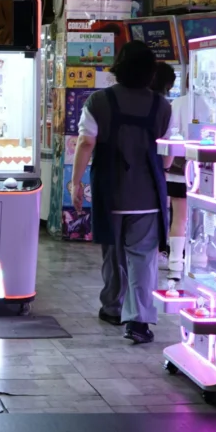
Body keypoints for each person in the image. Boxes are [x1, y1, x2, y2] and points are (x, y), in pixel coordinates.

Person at [71, 40, 170, 344]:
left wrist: (76, 181)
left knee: (113, 253)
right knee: (142, 258)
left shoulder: (98, 101)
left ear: (118, 68)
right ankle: (138, 321)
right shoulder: (162, 106)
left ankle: (113, 307)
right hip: (147, 196)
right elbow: (166, 157)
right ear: (151, 72)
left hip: (110, 191)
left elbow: (86, 143)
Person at [151, 62, 188, 289]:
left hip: (176, 169)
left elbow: (170, 136)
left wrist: (166, 166)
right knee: (197, 218)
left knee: (178, 217)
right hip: (207, 171)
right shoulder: (213, 104)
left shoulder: (177, 103)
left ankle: (175, 262)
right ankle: (196, 260)